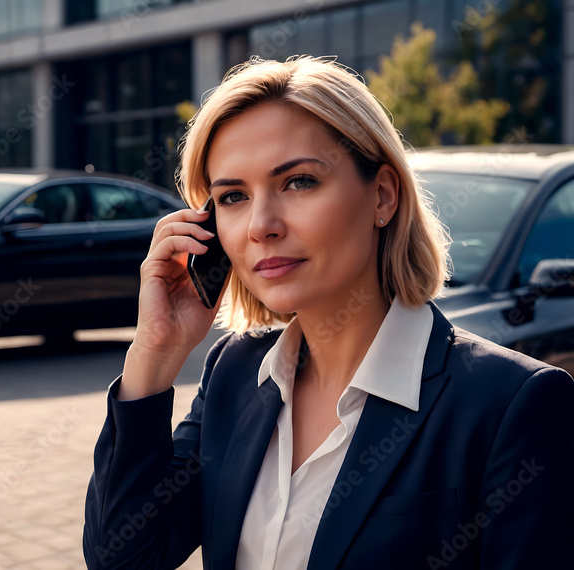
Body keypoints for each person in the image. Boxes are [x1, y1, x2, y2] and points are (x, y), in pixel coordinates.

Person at [82, 56, 574, 570]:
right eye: (232, 196)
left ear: (383, 195)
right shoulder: (233, 373)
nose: (261, 225)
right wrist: (155, 352)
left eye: (298, 182)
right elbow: (122, 559)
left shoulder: (510, 404)